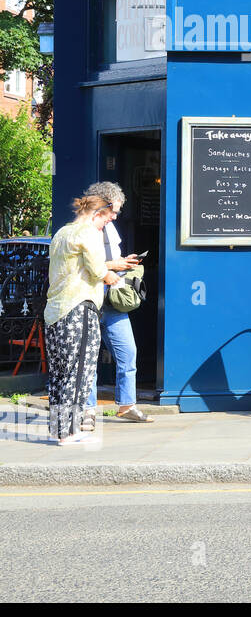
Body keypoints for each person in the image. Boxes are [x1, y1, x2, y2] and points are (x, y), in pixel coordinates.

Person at [44, 195, 121, 444]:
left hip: (54, 311)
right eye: (107, 219)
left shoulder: (61, 233)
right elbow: (99, 271)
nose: (108, 223)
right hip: (79, 308)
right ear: (97, 213)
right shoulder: (89, 233)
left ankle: (58, 429)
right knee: (79, 372)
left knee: (58, 373)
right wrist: (115, 277)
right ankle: (70, 431)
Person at [81, 181, 152, 424]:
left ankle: (127, 405)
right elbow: (83, 266)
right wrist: (113, 266)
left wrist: (124, 261)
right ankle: (88, 410)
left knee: (127, 352)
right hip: (89, 299)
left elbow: (108, 258)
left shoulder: (109, 229)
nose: (115, 216)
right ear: (101, 206)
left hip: (112, 300)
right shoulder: (82, 231)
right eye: (114, 211)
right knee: (88, 357)